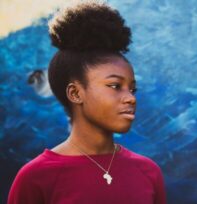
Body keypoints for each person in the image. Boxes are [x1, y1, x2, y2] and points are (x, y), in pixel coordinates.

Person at [7, 1, 166, 204]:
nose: (130, 98)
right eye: (115, 86)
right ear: (75, 93)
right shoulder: (35, 178)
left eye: (132, 89)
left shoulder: (148, 172)